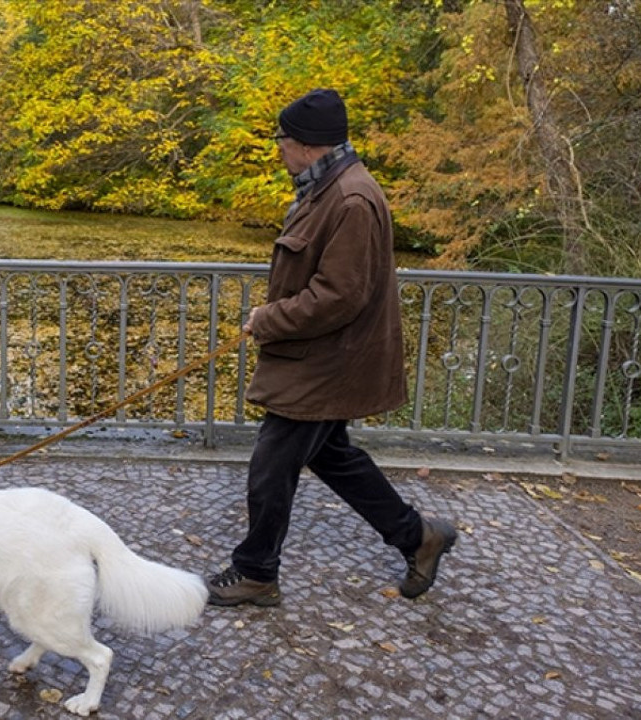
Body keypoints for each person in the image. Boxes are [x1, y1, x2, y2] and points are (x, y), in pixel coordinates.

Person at [206, 88, 457, 607]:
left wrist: (266, 319)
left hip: (327, 363)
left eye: (283, 139)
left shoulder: (351, 200)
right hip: (322, 358)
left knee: (271, 465)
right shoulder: (331, 188)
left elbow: (339, 296)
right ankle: (419, 536)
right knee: (335, 458)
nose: (278, 149)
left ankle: (256, 572)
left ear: (307, 145)